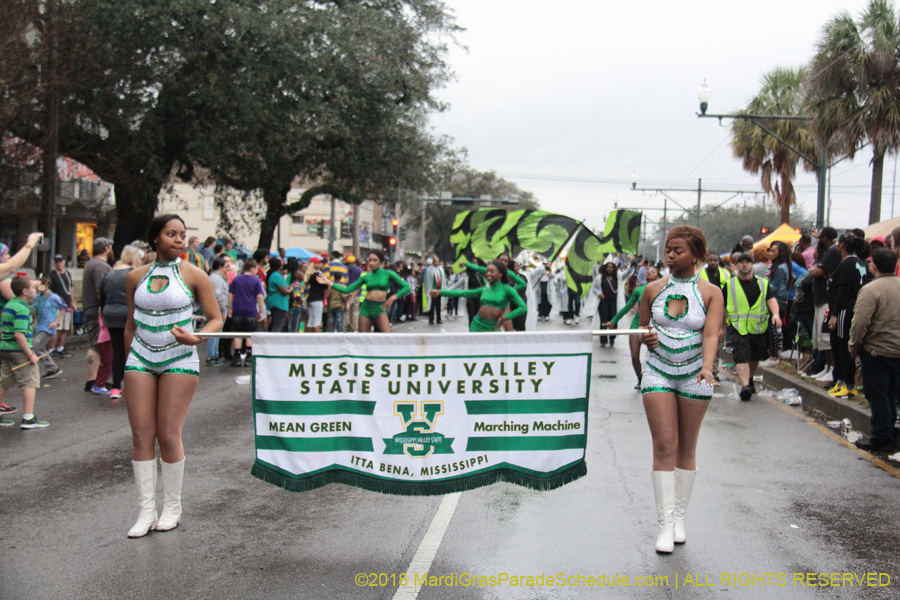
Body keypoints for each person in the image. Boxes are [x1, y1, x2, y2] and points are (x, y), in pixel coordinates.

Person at [123, 214, 223, 538]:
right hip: (140, 357)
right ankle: (145, 511)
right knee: (141, 433)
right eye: (171, 234)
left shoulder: (195, 274)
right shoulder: (135, 276)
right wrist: (128, 364)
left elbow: (215, 319)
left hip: (179, 357)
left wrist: (196, 338)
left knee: (167, 434)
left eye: (182, 234)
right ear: (156, 239)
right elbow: (129, 324)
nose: (179, 240)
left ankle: (172, 507)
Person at [639, 226, 723, 554]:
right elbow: (644, 328)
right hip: (657, 371)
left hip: (694, 376)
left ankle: (679, 520)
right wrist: (646, 336)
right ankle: (663, 525)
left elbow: (711, 335)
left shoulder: (711, 292)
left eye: (679, 251)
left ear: (697, 255)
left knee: (686, 448)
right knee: (664, 446)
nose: (671, 256)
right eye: (668, 250)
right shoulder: (652, 290)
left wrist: (707, 366)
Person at [848, 249, 900, 452]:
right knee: (891, 396)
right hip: (898, 352)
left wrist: (854, 346)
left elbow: (860, 322)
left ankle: (880, 437)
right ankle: (887, 433)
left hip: (877, 351)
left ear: (874, 266)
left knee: (877, 395)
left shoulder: (871, 290)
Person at [725, 253, 781, 401]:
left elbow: (771, 300)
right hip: (737, 328)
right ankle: (745, 387)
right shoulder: (729, 285)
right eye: (741, 262)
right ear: (736, 266)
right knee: (741, 355)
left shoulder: (763, 283)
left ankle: (749, 380)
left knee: (754, 357)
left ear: (752, 265)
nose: (744, 265)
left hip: (758, 328)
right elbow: (722, 307)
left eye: (747, 262)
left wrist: (776, 315)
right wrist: (719, 327)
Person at [318, 251, 411, 333]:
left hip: (380, 308)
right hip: (366, 308)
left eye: (375, 260)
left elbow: (407, 287)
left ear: (381, 261)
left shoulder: (388, 274)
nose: (371, 263)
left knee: (388, 338)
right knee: (363, 340)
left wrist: (392, 298)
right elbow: (347, 290)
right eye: (369, 260)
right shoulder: (366, 276)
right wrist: (329, 282)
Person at [0, 276, 49, 429]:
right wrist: (30, 354)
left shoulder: (9, 305)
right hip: (19, 350)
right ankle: (28, 417)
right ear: (25, 291)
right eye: (33, 288)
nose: (35, 290)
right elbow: (19, 334)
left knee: (4, 381)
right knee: (29, 381)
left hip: (5, 348)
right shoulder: (21, 308)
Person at [826, 233, 869, 398]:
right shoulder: (860, 263)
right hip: (852, 307)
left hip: (845, 309)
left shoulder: (847, 265)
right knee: (837, 346)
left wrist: (834, 314)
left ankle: (850, 385)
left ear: (842, 245)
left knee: (843, 347)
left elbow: (843, 292)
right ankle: (841, 381)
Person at [429, 260, 526, 332]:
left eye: (492, 272)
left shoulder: (508, 290)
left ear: (500, 274)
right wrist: (440, 292)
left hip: (493, 328)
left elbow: (523, 308)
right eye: (487, 272)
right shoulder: (483, 290)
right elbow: (462, 293)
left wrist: (506, 316)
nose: (488, 274)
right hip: (476, 326)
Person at [603, 265, 659, 389]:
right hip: (637, 325)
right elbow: (627, 307)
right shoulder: (639, 290)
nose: (649, 273)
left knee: (656, 357)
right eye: (648, 271)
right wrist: (613, 321)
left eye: (653, 271)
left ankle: (655, 380)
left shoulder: (662, 290)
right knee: (634, 356)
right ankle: (641, 379)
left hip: (654, 326)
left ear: (658, 276)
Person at [101, 245, 145, 399]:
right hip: (128, 315)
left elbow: (102, 294)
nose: (140, 262)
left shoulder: (110, 273)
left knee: (117, 350)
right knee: (132, 351)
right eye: (139, 259)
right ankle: (132, 384)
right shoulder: (132, 274)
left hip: (111, 314)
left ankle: (115, 387)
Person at [808, 227, 839, 382]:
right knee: (819, 338)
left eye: (819, 237)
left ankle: (832, 368)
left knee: (826, 338)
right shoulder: (824, 253)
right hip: (819, 299)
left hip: (827, 300)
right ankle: (826, 367)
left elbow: (817, 272)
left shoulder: (832, 252)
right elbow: (816, 270)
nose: (817, 240)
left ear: (825, 238)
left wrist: (815, 269)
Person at [83, 237, 114, 394]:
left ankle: (94, 379)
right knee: (96, 345)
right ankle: (92, 380)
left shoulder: (92, 263)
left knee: (96, 344)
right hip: (96, 311)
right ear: (107, 248)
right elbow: (101, 292)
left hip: (92, 310)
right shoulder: (100, 266)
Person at [228, 259, 265, 367]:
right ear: (252, 269)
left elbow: (230, 294)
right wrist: (261, 310)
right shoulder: (256, 281)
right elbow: (259, 296)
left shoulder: (236, 279)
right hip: (250, 310)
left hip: (237, 310)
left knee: (238, 334)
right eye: (256, 269)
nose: (257, 271)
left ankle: (237, 356)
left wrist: (230, 308)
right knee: (250, 333)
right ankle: (249, 357)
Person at [29, 277, 64, 381]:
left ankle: (51, 367)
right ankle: (52, 368)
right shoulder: (37, 297)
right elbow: (32, 310)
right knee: (38, 347)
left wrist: (56, 322)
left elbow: (63, 308)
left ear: (47, 285)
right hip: (39, 326)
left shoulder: (54, 297)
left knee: (35, 345)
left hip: (48, 327)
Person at [48, 254, 74, 358]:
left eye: (60, 261)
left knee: (65, 328)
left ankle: (60, 347)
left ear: (64, 262)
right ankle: (51, 349)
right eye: (57, 262)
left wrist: (72, 301)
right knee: (57, 328)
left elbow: (71, 287)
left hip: (66, 303)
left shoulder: (67, 273)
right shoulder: (52, 275)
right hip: (57, 306)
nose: (59, 263)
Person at [207, 257, 229, 365]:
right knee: (215, 333)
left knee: (217, 333)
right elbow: (218, 295)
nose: (226, 269)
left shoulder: (217, 278)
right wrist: (223, 310)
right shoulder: (215, 279)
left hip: (218, 308)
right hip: (218, 309)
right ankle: (211, 355)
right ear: (220, 267)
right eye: (225, 266)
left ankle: (214, 354)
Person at [265, 258, 290, 333]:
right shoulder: (276, 276)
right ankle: (273, 342)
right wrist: (291, 289)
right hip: (279, 303)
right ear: (280, 266)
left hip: (277, 303)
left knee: (274, 324)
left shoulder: (275, 275)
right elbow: (284, 291)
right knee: (278, 325)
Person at [305, 261, 328, 333]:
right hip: (317, 299)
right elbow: (325, 285)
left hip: (311, 298)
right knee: (317, 320)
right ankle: (317, 337)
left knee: (311, 320)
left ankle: (308, 336)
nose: (321, 264)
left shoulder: (309, 275)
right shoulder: (317, 275)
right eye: (319, 263)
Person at [343, 256, 362, 332]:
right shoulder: (358, 269)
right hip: (356, 293)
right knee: (355, 311)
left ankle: (347, 325)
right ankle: (354, 327)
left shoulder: (345, 269)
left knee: (347, 310)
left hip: (347, 292)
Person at [287, 266, 306, 333]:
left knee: (291, 323)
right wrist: (301, 301)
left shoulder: (293, 283)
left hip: (292, 306)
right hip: (296, 306)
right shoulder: (297, 284)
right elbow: (297, 295)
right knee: (294, 324)